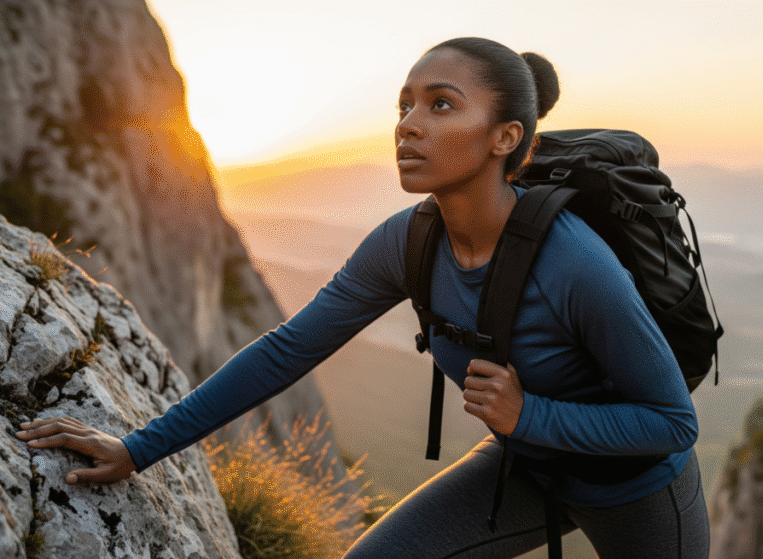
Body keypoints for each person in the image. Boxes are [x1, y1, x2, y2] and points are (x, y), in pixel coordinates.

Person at [15, 37, 711, 558]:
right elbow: (288, 349)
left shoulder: (574, 264)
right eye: (405, 104)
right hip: (524, 465)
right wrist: (137, 449)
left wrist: (530, 414)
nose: (408, 123)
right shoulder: (408, 243)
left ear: (505, 138)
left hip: (637, 490)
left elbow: (672, 423)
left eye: (441, 104)